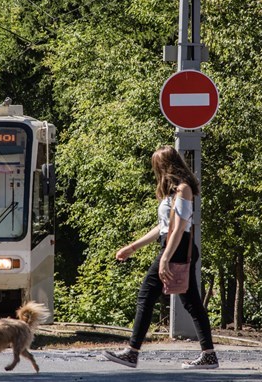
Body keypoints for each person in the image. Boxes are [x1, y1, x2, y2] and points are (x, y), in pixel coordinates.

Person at [102, 146, 219, 370]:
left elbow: (179, 228)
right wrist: (133, 246)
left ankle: (132, 352)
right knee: (193, 303)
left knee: (146, 296)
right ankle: (209, 355)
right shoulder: (172, 192)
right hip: (173, 246)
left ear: (167, 166)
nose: (157, 172)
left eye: (158, 167)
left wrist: (165, 258)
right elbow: (163, 227)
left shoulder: (184, 190)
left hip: (177, 247)